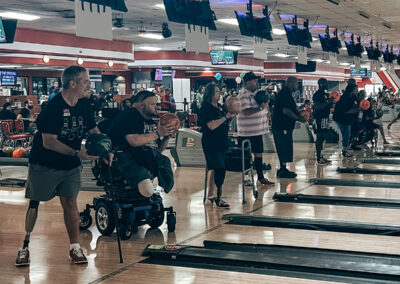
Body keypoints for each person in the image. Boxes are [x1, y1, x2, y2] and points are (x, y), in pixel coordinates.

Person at [15, 65, 112, 267]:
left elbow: (92, 129)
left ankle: (74, 247)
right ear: (72, 83)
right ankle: (25, 246)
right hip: (45, 164)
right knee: (35, 202)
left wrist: (105, 150)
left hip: (71, 165)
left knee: (70, 202)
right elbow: (49, 142)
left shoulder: (84, 104)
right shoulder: (53, 108)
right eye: (85, 81)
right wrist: (78, 153)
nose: (89, 85)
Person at [107, 91, 175, 198]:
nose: (156, 107)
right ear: (142, 105)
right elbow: (134, 141)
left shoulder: (150, 120)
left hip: (142, 158)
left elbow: (157, 150)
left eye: (156, 104)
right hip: (124, 158)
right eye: (152, 104)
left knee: (164, 161)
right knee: (146, 188)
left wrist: (166, 138)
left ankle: (165, 186)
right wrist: (158, 133)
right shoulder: (130, 115)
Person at [199, 83, 236, 208]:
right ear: (210, 94)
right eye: (216, 91)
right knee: (219, 168)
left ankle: (212, 195)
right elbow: (211, 125)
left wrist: (231, 117)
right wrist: (226, 117)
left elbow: (224, 123)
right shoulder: (206, 108)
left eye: (219, 91)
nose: (219, 93)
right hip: (211, 142)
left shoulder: (219, 107)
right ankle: (218, 196)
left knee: (215, 169)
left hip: (221, 141)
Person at [237, 72, 274, 186]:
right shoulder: (243, 95)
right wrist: (260, 108)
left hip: (257, 131)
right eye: (254, 81)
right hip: (246, 132)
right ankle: (246, 179)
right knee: (246, 156)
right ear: (247, 82)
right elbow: (246, 111)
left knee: (258, 154)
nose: (256, 83)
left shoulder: (255, 94)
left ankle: (261, 178)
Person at [272, 76, 305, 178]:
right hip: (282, 126)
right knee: (283, 146)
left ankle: (283, 168)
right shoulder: (284, 94)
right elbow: (285, 111)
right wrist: (298, 118)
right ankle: (282, 170)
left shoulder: (287, 94)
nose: (297, 85)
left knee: (285, 147)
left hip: (283, 126)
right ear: (290, 83)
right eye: (296, 83)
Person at [333, 84, 360, 158]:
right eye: (355, 90)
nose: (357, 91)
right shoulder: (345, 98)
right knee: (346, 133)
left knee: (347, 133)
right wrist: (358, 109)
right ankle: (344, 151)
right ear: (351, 90)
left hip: (346, 119)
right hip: (341, 118)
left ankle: (346, 148)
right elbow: (347, 111)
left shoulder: (353, 97)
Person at [312, 78, 333, 165]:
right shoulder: (318, 94)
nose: (327, 85)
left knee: (323, 137)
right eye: (325, 83)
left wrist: (330, 101)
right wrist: (328, 102)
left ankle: (321, 156)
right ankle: (318, 158)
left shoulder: (324, 94)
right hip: (319, 118)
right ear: (321, 84)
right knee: (320, 138)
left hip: (325, 118)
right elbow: (317, 106)